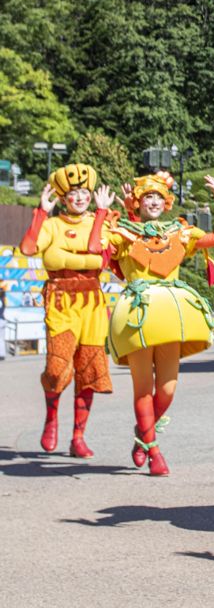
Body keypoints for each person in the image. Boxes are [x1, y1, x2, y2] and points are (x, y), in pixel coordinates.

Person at [90, 171, 214, 476]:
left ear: (166, 203)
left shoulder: (178, 232)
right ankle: (153, 450)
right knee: (143, 388)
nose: (152, 202)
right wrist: (101, 212)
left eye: (157, 197)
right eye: (147, 197)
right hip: (137, 315)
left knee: (167, 390)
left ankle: (142, 434)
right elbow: (94, 248)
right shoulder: (124, 233)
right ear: (138, 203)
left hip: (170, 315)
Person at [19, 164, 113, 457]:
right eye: (74, 193)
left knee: (89, 369)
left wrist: (101, 213)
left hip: (92, 302)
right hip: (61, 300)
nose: (80, 197)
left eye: (85, 192)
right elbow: (28, 249)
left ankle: (78, 437)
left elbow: (99, 254)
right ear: (63, 198)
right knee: (57, 366)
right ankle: (51, 419)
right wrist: (41, 213)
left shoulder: (101, 222)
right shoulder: (53, 226)